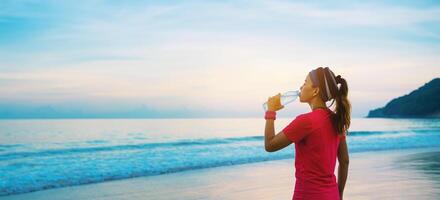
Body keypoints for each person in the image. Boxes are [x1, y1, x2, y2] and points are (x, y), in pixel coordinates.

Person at [264, 67, 350, 200]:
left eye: (305, 83)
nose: (301, 87)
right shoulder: (336, 121)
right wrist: (339, 194)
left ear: (315, 90)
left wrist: (270, 111)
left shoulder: (306, 121)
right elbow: (344, 161)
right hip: (332, 195)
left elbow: (270, 145)